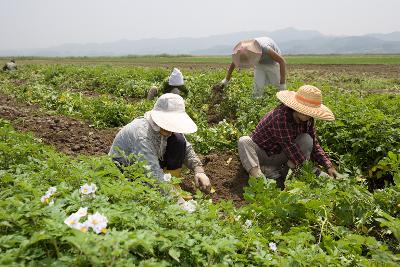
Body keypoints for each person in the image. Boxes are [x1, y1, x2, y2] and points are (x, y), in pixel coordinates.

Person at [238, 85, 338, 189]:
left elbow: (315, 145)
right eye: (305, 109)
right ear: (295, 105)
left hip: (280, 156)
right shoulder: (281, 116)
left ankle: (282, 174)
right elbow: (290, 147)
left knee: (307, 139)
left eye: (310, 111)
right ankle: (260, 180)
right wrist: (316, 173)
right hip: (261, 154)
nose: (307, 114)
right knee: (244, 141)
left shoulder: (308, 120)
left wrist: (329, 166)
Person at [109, 93, 211, 193]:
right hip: (125, 168)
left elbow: (186, 149)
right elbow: (151, 173)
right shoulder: (142, 134)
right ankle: (166, 190)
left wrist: (199, 171)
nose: (170, 128)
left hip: (149, 162)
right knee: (146, 186)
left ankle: (171, 184)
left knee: (179, 141)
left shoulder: (169, 129)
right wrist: (180, 204)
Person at [220, 37, 286, 97]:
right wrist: (226, 79)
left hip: (273, 62)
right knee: (258, 88)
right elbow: (234, 62)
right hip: (259, 64)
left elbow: (281, 61)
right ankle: (258, 99)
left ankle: (281, 103)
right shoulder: (243, 49)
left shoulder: (265, 48)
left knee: (277, 87)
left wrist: (282, 83)